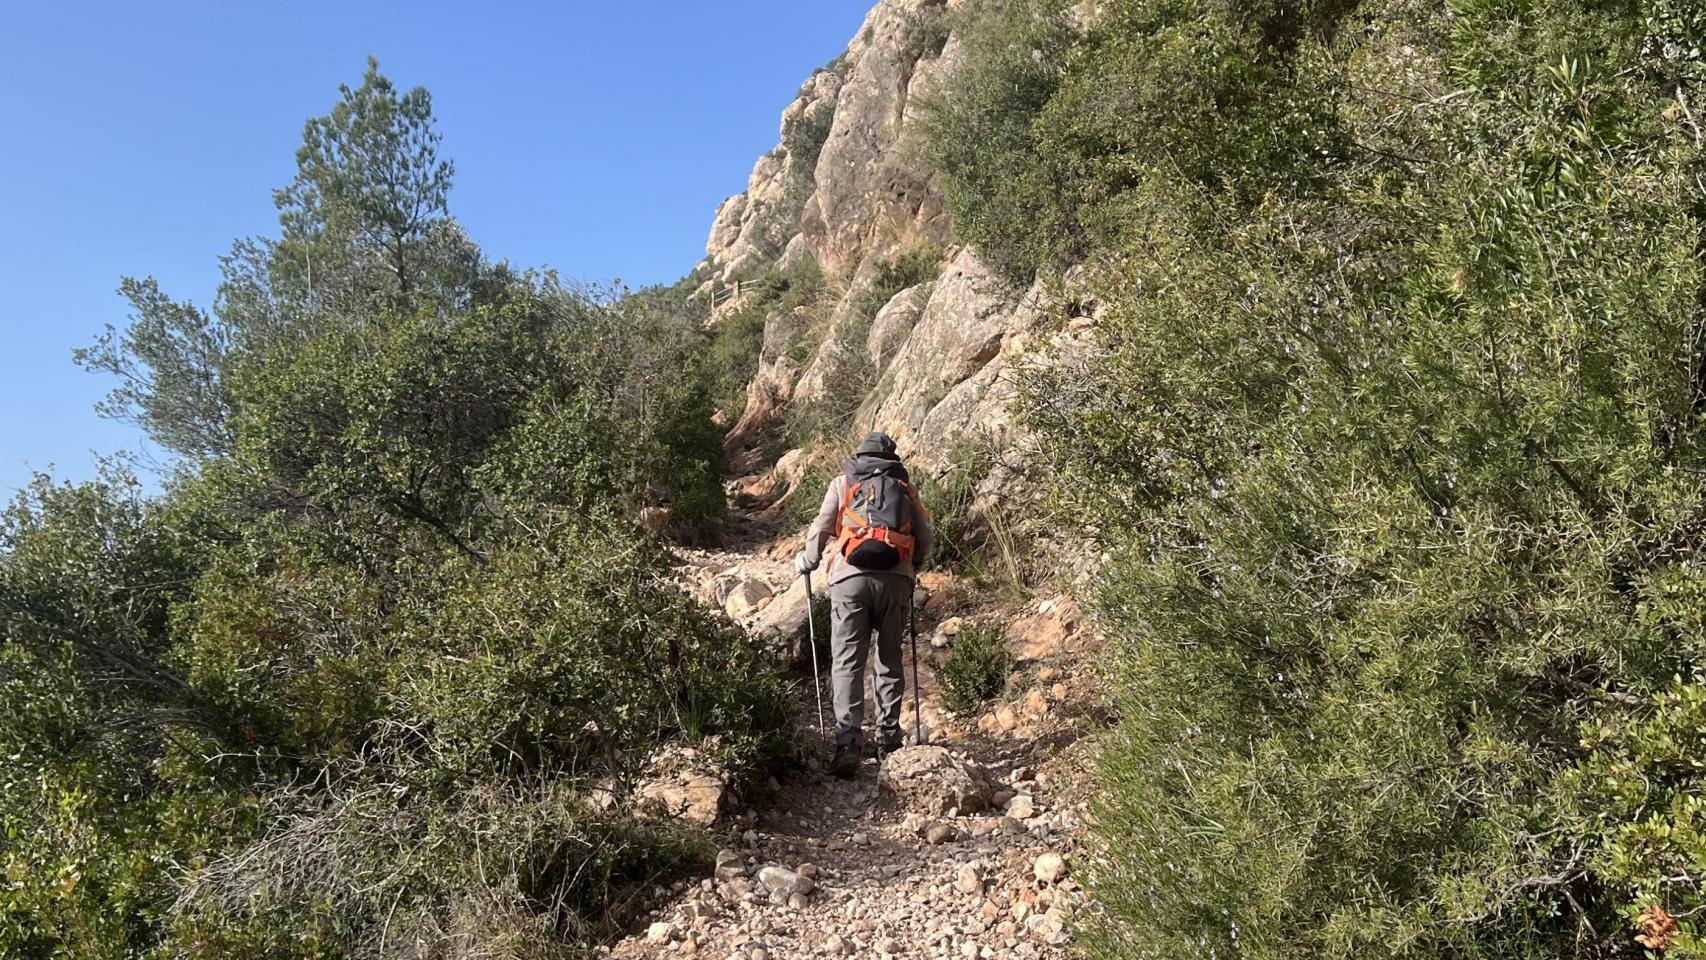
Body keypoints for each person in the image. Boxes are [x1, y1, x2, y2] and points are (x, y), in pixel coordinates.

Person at [795, 431, 933, 777]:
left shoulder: (843, 482)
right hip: (896, 580)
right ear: (892, 457)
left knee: (847, 662)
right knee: (889, 659)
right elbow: (925, 537)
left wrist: (808, 561)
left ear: (859, 455)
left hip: (849, 580)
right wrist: (910, 569)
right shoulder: (904, 488)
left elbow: (822, 526)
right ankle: (888, 739)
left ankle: (848, 743)